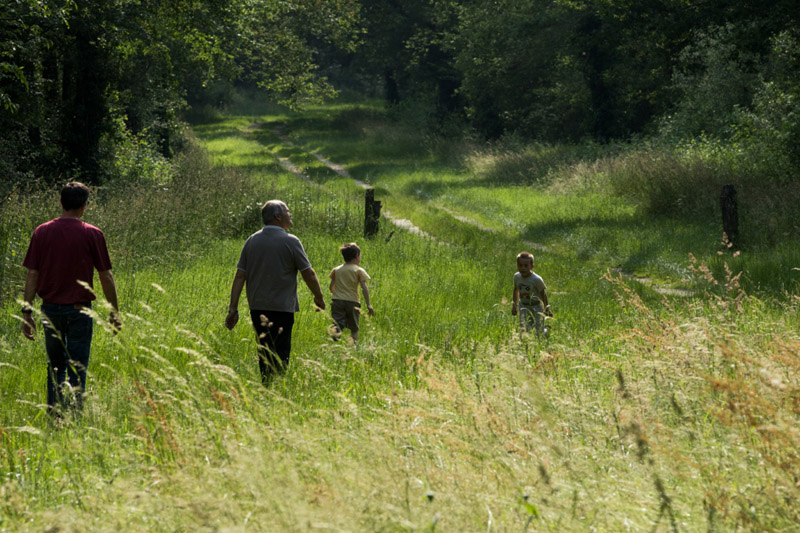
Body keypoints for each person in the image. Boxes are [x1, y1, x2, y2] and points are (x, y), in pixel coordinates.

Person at [21, 182, 121, 416]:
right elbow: (105, 275)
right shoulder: (92, 233)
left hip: (50, 310)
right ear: (84, 206)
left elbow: (32, 274)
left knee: (56, 367)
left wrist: (27, 313)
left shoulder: (42, 231)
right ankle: (76, 414)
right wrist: (114, 312)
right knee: (78, 368)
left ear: (60, 203)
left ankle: (55, 415)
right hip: (80, 311)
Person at [225, 200, 325, 384]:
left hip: (258, 306)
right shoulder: (291, 241)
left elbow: (240, 276)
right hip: (282, 307)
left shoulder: (252, 240)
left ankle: (267, 384)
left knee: (264, 348)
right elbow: (308, 273)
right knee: (281, 350)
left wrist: (233, 309)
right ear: (278, 216)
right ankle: (277, 387)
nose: (290, 214)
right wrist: (318, 297)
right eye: (288, 211)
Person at [329, 242, 374, 344]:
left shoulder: (337, 270)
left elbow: (331, 287)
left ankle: (334, 342)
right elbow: (364, 288)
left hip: (337, 301)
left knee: (336, 322)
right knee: (354, 328)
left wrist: (337, 294)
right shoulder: (358, 270)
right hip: (353, 301)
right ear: (357, 256)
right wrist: (369, 305)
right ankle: (353, 347)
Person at [511, 251, 551, 335]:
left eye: (526, 266)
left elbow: (543, 294)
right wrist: (514, 305)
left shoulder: (536, 279)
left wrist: (547, 308)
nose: (523, 268)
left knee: (538, 331)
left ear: (532, 266)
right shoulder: (517, 277)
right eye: (520, 265)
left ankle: (546, 331)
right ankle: (525, 344)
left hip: (536, 306)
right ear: (517, 265)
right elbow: (516, 290)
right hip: (523, 306)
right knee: (524, 328)